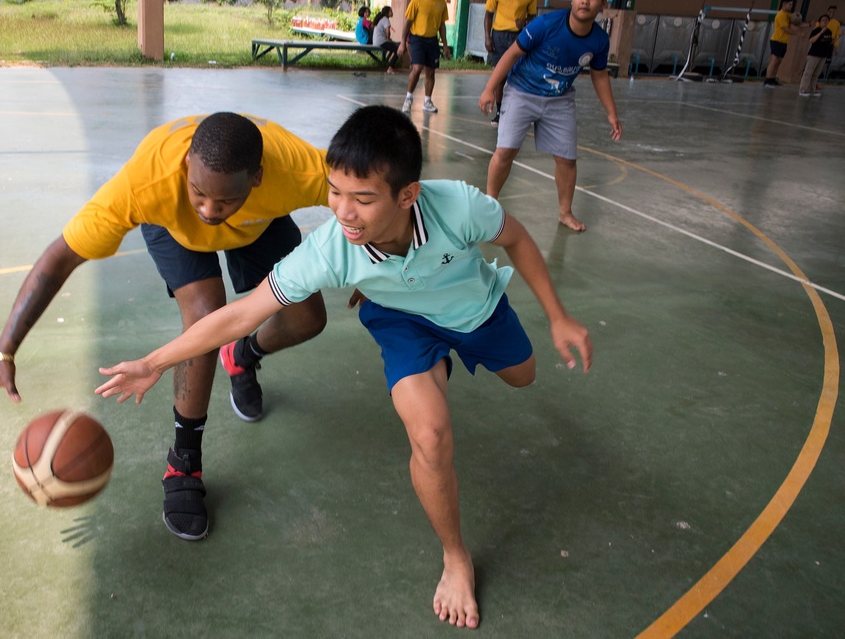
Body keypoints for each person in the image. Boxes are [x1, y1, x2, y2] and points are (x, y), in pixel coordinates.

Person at [96, 105, 593, 629]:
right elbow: (242, 311)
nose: (344, 211)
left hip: (474, 307)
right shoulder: (330, 248)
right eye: (335, 191)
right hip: (402, 320)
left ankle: (438, 363)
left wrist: (558, 317)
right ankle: (455, 557)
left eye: (362, 199)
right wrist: (154, 361)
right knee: (429, 434)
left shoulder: (460, 207)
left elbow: (514, 238)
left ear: (407, 195)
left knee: (524, 375)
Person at [0, 113, 331, 541]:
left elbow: (365, 196)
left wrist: (383, 273)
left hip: (259, 225)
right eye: (199, 193)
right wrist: (4, 350)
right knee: (205, 317)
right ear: (188, 163)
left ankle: (243, 355)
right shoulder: (147, 183)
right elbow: (62, 255)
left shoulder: (298, 168)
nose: (209, 211)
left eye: (224, 200)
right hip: (173, 226)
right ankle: (184, 460)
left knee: (309, 320)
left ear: (258, 177)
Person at [479, 0, 622, 233]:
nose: (585, 2)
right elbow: (511, 54)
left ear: (603, 4)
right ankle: (491, 205)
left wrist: (611, 113)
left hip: (560, 99)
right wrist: (490, 88)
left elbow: (599, 75)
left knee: (567, 159)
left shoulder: (599, 40)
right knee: (506, 151)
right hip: (521, 91)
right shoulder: (545, 25)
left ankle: (565, 213)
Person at [483, 0, 538, 126]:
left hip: (519, 36)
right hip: (500, 35)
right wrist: (488, 36)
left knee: (521, 74)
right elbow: (488, 15)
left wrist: (526, 22)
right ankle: (500, 112)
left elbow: (532, 16)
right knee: (501, 75)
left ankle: (520, 113)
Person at [398, 0, 452, 115]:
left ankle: (427, 101)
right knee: (417, 68)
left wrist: (445, 45)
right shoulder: (417, 1)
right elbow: (407, 23)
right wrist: (403, 42)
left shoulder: (441, 4)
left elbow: (442, 26)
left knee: (431, 71)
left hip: (432, 40)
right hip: (417, 39)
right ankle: (408, 99)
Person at [763, 0, 799, 87]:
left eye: (792, 4)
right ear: (784, 4)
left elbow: (796, 21)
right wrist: (797, 34)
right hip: (777, 40)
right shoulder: (781, 15)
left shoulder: (788, 15)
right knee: (774, 60)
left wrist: (808, 25)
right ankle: (767, 80)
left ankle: (772, 78)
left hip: (784, 41)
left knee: (779, 61)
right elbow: (785, 28)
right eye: (789, 4)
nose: (791, 6)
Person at [799, 14, 835, 96]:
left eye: (827, 20)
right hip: (814, 54)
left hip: (823, 55)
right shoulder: (816, 30)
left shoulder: (829, 31)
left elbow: (829, 42)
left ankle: (812, 89)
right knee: (808, 72)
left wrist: (837, 37)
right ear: (820, 22)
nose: (825, 22)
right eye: (823, 20)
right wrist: (821, 33)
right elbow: (811, 40)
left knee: (816, 73)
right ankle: (803, 89)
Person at [371, 5, 400, 74]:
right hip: (381, 42)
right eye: (391, 11)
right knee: (398, 49)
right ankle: (390, 67)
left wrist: (389, 40)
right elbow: (388, 31)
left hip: (377, 41)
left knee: (397, 45)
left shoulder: (382, 19)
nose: (392, 12)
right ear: (387, 12)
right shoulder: (386, 20)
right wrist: (388, 39)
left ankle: (389, 65)